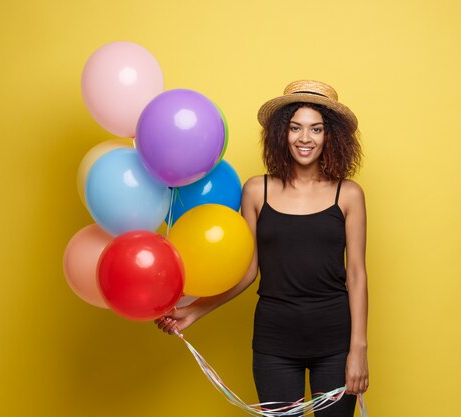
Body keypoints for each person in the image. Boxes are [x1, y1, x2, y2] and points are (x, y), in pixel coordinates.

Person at [156, 80, 369, 416]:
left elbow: (356, 274)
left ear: (330, 136)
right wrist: (193, 311)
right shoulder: (257, 191)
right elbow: (247, 271)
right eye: (295, 128)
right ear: (281, 133)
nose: (305, 138)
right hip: (274, 345)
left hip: (335, 344)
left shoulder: (350, 195)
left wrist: (358, 349)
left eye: (316, 129)